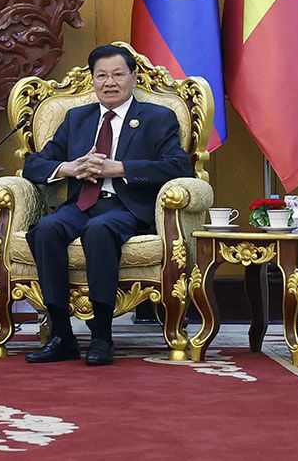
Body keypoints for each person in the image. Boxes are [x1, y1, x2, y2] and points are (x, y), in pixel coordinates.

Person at [23, 45, 192, 366]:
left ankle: (102, 337)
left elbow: (179, 167)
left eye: (117, 74)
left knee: (99, 230)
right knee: (46, 228)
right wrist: (70, 167)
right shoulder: (77, 118)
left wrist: (121, 169)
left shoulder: (157, 118)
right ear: (93, 80)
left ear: (133, 77)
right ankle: (62, 336)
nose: (109, 82)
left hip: (126, 208)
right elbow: (35, 164)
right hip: (81, 204)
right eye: (101, 76)